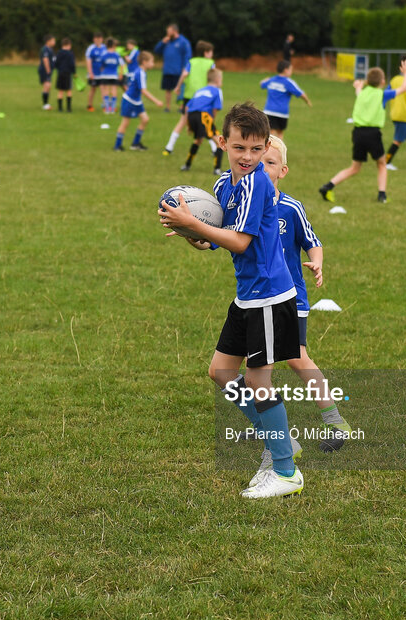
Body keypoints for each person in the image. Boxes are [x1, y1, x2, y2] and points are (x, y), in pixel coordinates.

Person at [159, 103, 304, 499]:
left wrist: (193, 223)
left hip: (271, 296)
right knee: (221, 372)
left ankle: (286, 471)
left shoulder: (258, 184)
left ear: (266, 148)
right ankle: (280, 443)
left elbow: (241, 241)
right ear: (222, 142)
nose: (248, 157)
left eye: (258, 150)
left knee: (259, 380)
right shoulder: (224, 185)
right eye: (240, 147)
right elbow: (220, 240)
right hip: (247, 296)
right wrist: (195, 236)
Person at [263, 135, 353, 456]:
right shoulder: (243, 205)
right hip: (258, 299)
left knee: (296, 357)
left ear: (282, 171)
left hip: (291, 298)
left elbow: (313, 240)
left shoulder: (291, 208)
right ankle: (274, 434)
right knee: (260, 367)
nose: (263, 166)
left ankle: (335, 421)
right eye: (258, 160)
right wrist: (195, 230)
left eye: (270, 162)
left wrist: (316, 261)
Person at [318, 62, 406, 205]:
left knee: (355, 167)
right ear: (382, 81)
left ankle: (328, 186)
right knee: (381, 164)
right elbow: (404, 88)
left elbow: (358, 93)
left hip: (358, 133)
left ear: (368, 81)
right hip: (373, 134)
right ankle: (382, 195)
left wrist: (358, 87)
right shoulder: (382, 94)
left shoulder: (362, 94)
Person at [164, 40, 216, 155]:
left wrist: (178, 87)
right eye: (211, 52)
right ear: (206, 53)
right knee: (207, 123)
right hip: (203, 98)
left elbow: (184, 74)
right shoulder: (211, 63)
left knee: (183, 121)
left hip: (189, 96)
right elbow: (214, 78)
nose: (212, 54)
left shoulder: (191, 62)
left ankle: (169, 146)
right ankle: (214, 148)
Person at [115, 51, 164, 151]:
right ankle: (117, 145)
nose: (153, 64)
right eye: (151, 62)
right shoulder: (140, 73)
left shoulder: (141, 72)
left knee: (145, 119)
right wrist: (156, 101)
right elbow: (143, 91)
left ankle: (135, 144)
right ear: (144, 62)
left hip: (136, 101)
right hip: (129, 100)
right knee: (125, 123)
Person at [180, 68, 224, 174]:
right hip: (203, 116)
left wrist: (188, 125)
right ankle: (217, 169)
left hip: (191, 115)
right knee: (220, 142)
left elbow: (187, 107)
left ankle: (187, 165)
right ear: (218, 80)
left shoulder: (200, 91)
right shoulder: (217, 91)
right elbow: (215, 109)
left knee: (198, 140)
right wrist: (211, 121)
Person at [260, 60, 312, 139]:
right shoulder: (288, 82)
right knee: (280, 133)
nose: (292, 72)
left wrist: (264, 80)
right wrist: (308, 101)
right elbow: (301, 94)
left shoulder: (272, 80)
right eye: (291, 69)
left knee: (271, 133)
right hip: (281, 112)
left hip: (269, 110)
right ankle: (280, 151)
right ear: (285, 70)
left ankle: (270, 149)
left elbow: (262, 84)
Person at [152, 23, 191, 112]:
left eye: (169, 31)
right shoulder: (167, 41)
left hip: (178, 70)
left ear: (175, 31)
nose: (168, 33)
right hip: (167, 70)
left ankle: (181, 107)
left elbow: (187, 55)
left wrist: (185, 67)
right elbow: (156, 50)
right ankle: (167, 107)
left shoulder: (183, 41)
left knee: (180, 89)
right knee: (167, 90)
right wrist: (162, 42)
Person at [99, 38, 125, 114]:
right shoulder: (117, 55)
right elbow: (122, 65)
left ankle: (107, 109)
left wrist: (102, 70)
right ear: (113, 45)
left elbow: (101, 65)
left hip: (105, 75)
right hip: (114, 75)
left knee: (106, 90)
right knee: (114, 90)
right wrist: (120, 74)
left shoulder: (104, 54)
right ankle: (112, 109)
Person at [84, 33, 105, 112]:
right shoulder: (91, 48)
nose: (98, 40)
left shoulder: (104, 48)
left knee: (103, 89)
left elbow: (105, 60)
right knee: (93, 89)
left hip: (102, 74)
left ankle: (105, 106)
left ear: (102, 39)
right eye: (96, 39)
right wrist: (90, 73)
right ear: (94, 39)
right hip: (94, 73)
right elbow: (88, 61)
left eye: (99, 39)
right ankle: (89, 105)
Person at [54, 38, 75, 112]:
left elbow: (56, 63)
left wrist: (59, 69)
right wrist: (74, 72)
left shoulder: (59, 53)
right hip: (68, 74)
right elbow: (72, 64)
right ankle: (68, 108)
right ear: (69, 45)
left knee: (60, 91)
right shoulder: (70, 53)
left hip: (60, 73)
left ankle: (60, 108)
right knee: (69, 90)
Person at [38, 35, 55, 110]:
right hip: (44, 70)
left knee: (48, 86)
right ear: (48, 41)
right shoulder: (45, 49)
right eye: (53, 40)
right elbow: (45, 60)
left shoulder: (50, 49)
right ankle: (45, 105)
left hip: (48, 70)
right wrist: (48, 70)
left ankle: (47, 104)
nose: (54, 42)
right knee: (47, 85)